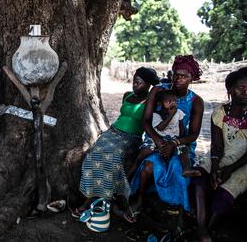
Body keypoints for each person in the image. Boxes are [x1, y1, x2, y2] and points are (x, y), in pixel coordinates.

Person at [75, 67, 160, 222]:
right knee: (92, 155)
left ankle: (96, 200)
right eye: (134, 81)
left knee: (112, 158)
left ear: (148, 85)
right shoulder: (127, 95)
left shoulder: (150, 102)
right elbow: (123, 116)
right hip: (112, 132)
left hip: (131, 138)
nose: (134, 85)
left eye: (139, 83)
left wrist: (155, 92)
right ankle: (90, 195)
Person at [129, 55, 204, 217]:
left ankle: (179, 210)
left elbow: (194, 134)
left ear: (192, 78)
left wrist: (174, 143)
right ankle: (139, 199)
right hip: (157, 139)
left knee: (178, 167)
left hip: (180, 143)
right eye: (176, 74)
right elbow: (146, 121)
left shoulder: (196, 101)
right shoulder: (158, 91)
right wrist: (159, 141)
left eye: (184, 76)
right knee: (149, 165)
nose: (178, 79)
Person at [194, 67, 247, 242]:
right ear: (230, 90)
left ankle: (210, 227)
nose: (246, 91)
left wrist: (229, 170)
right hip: (221, 155)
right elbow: (216, 145)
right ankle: (201, 227)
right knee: (200, 178)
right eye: (241, 87)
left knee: (226, 191)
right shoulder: (220, 112)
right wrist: (216, 167)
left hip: (243, 162)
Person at [127, 89, 200, 178]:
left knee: (184, 150)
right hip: (157, 138)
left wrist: (178, 140)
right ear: (160, 104)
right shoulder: (156, 115)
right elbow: (161, 128)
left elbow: (181, 128)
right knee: (145, 151)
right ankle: (132, 170)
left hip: (172, 139)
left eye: (174, 101)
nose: (172, 103)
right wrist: (171, 115)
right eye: (168, 102)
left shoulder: (179, 113)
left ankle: (187, 168)